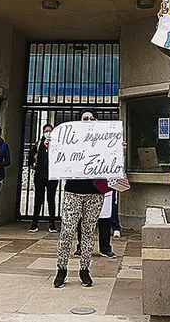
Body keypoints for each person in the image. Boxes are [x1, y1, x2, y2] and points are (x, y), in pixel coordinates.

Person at [54, 111, 109, 289]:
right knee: (67, 232)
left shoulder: (103, 141)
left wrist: (118, 149)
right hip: (73, 192)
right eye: (85, 118)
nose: (88, 121)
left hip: (94, 193)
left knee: (88, 232)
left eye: (91, 118)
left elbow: (112, 160)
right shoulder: (71, 141)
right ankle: (61, 269)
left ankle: (84, 269)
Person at [28, 123, 58, 233]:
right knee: (38, 199)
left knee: (51, 200)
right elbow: (31, 156)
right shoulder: (39, 143)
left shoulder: (56, 144)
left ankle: (52, 223)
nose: (48, 132)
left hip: (52, 176)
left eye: (50, 130)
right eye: (46, 131)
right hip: (39, 175)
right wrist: (33, 164)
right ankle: (34, 223)